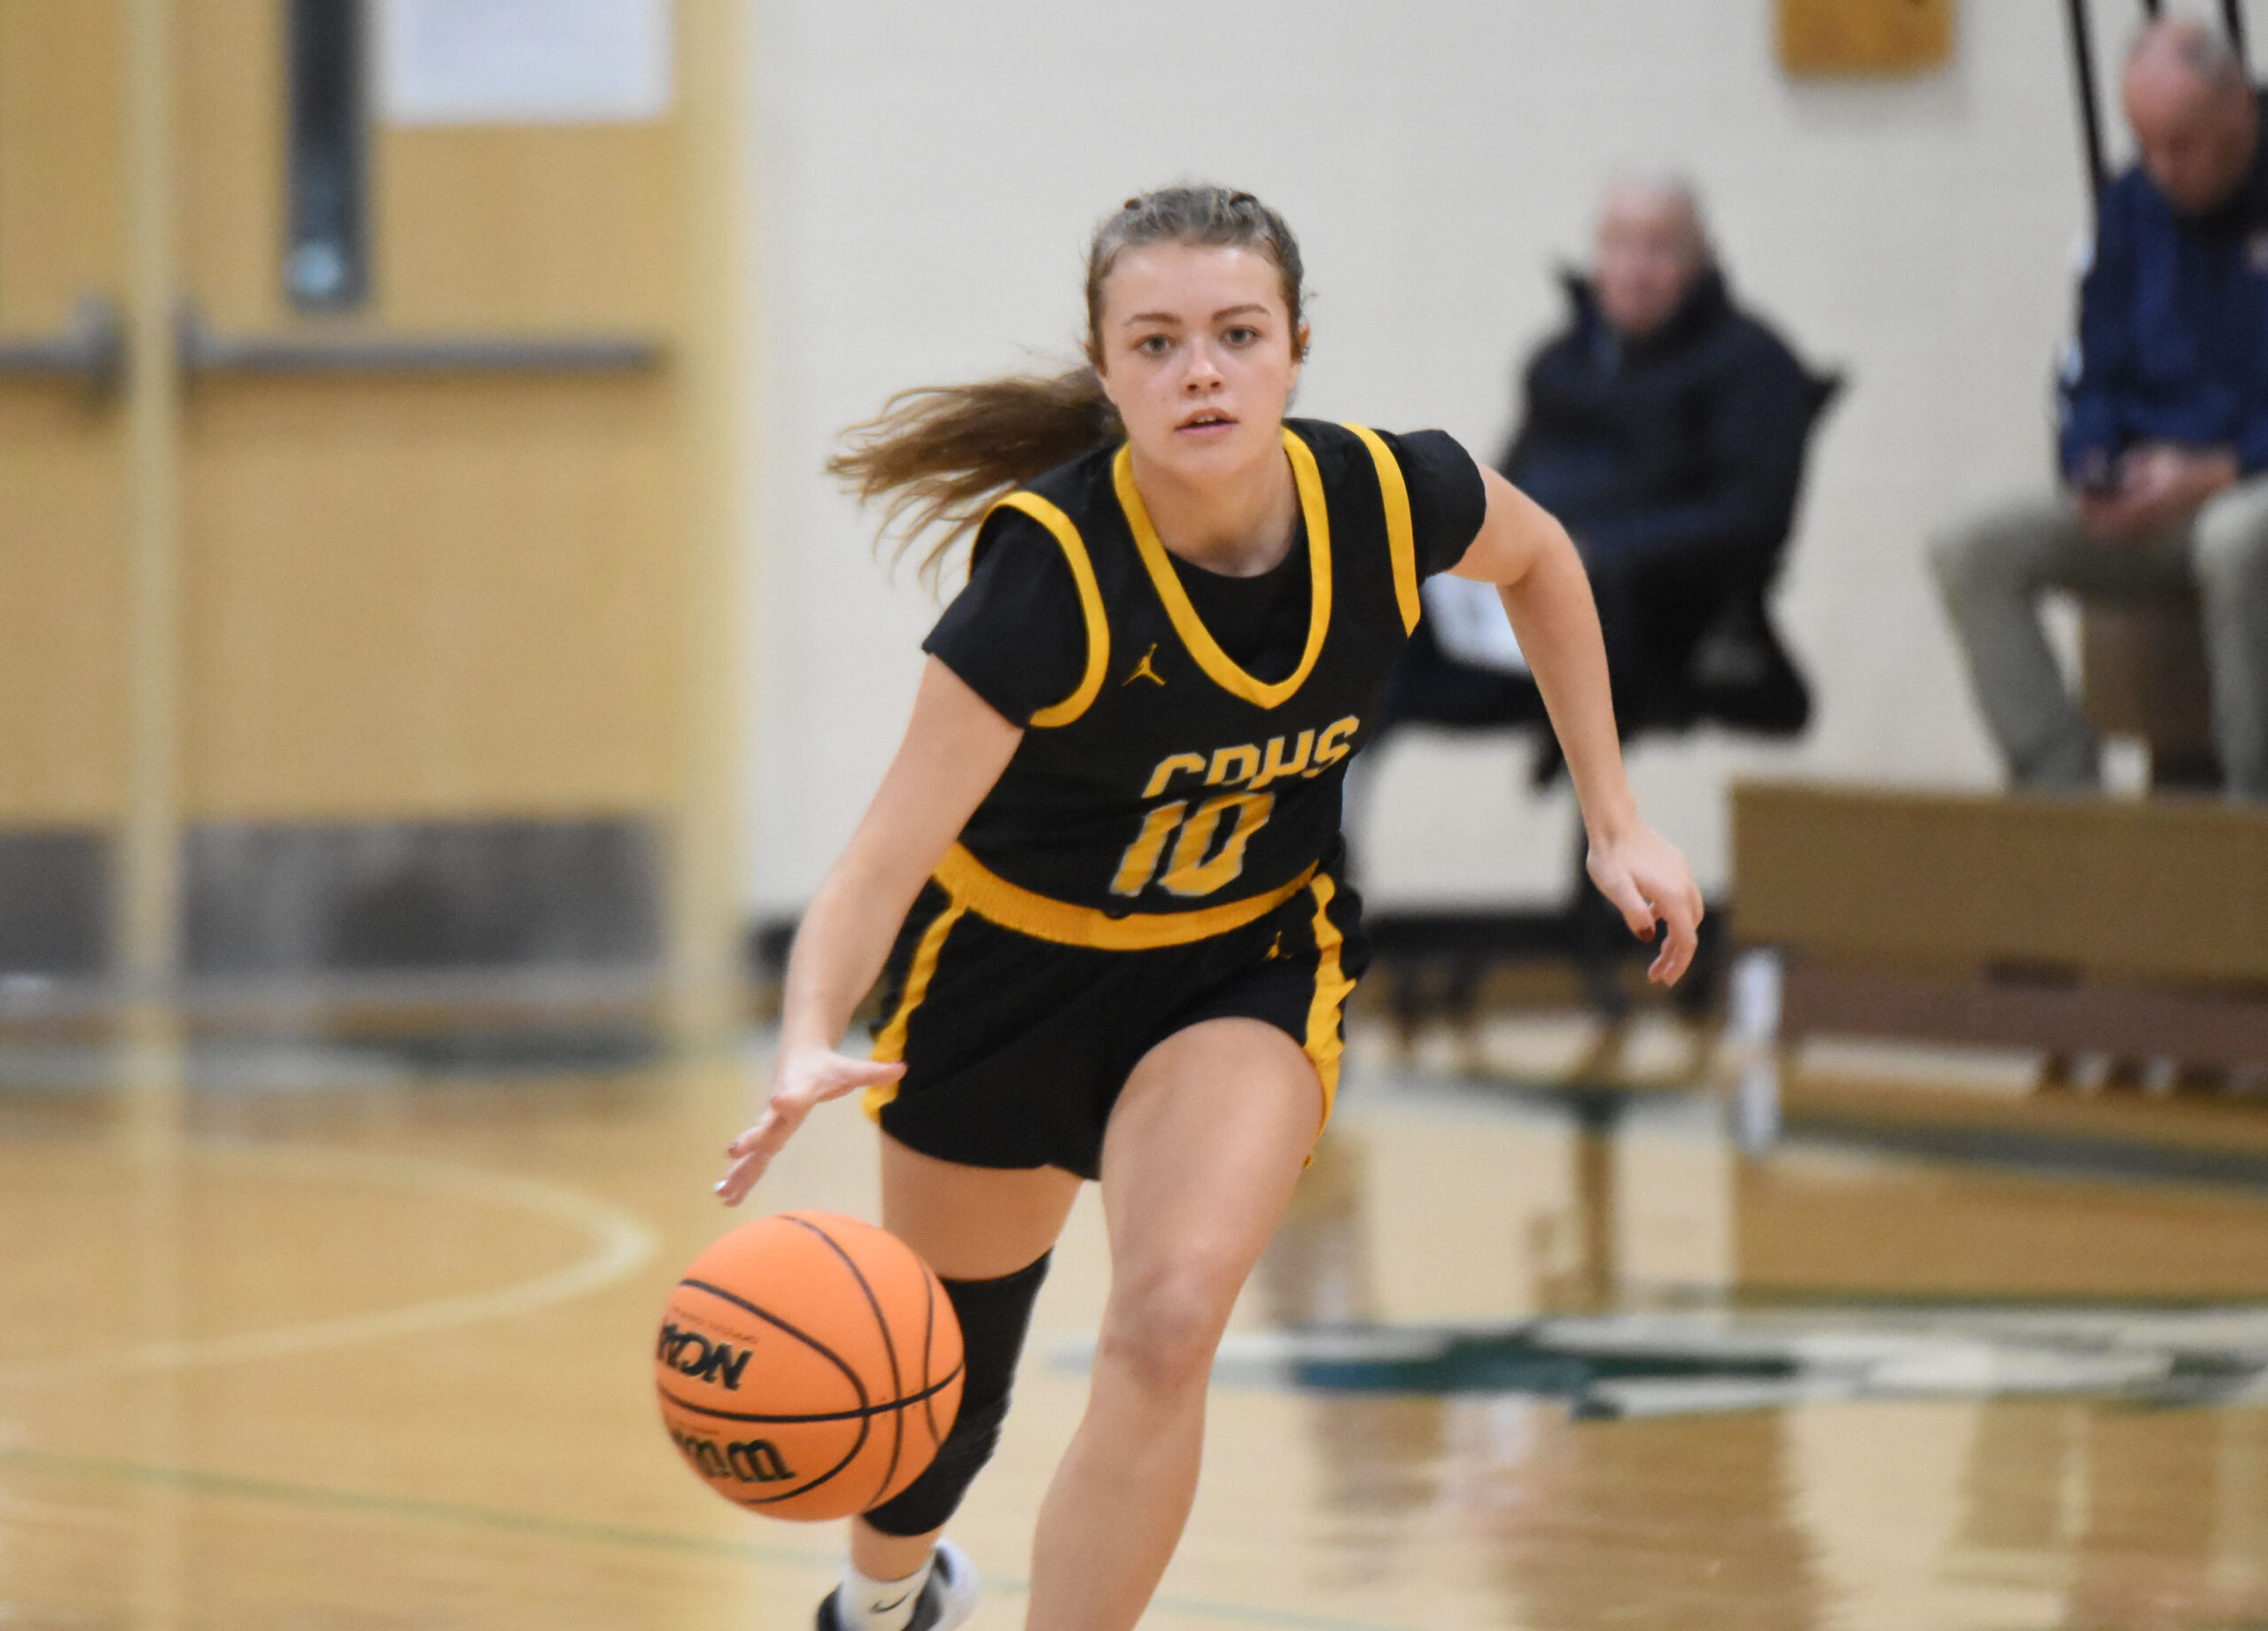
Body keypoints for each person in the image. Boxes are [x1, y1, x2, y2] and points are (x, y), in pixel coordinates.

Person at [712, 185, 1702, 1631]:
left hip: (1239, 965)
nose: (1202, 372)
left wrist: (1614, 816)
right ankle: (886, 1603)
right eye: (1159, 342)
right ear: (1107, 369)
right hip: (1007, 975)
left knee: (1168, 1323)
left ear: (1295, 348)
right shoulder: (1050, 575)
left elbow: (1542, 555)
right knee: (942, 1401)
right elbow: (878, 862)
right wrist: (808, 1031)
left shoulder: (1383, 497)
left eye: (1238, 334)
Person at [1932, 17, 2268, 798]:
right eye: (2145, 144)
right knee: (1970, 545)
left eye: (2182, 144)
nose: (2162, 168)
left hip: (2245, 484)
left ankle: (2251, 807)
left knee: (2236, 542)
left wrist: (2220, 469)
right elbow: (2088, 370)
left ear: (2240, 114)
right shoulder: (2130, 205)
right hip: (2150, 493)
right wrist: (2094, 466)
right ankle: (2061, 790)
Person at [1484, 174, 1828, 732]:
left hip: (1656, 616)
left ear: (1697, 261)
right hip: (1520, 603)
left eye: (1658, 248)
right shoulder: (1559, 361)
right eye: (1619, 245)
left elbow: (1751, 514)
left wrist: (1594, 550)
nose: (1635, 270)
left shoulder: (1750, 364)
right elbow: (1508, 486)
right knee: (1378, 609)